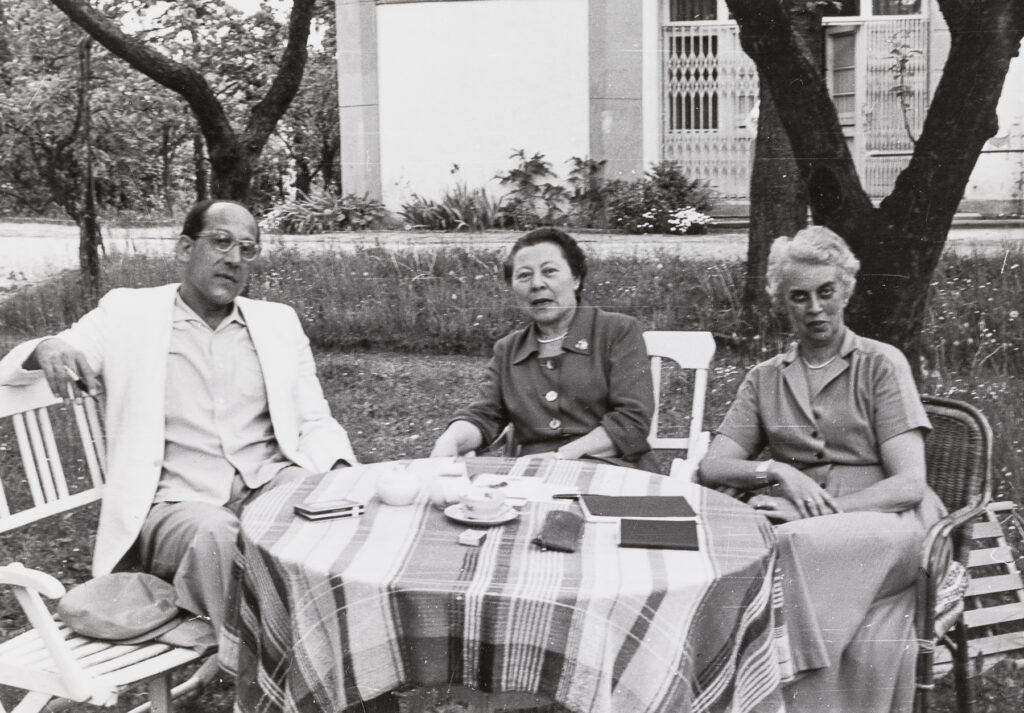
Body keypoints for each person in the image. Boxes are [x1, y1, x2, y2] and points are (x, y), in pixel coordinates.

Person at [0, 199, 356, 639]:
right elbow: (17, 369)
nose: (234, 259)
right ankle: (271, 665)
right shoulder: (130, 314)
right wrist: (48, 345)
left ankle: (338, 646)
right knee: (218, 535)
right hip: (177, 506)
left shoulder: (277, 322)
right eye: (221, 242)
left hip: (268, 483)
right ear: (186, 248)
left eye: (248, 249)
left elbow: (315, 419)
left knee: (337, 513)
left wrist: (338, 475)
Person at [699, 225, 945, 712]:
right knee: (746, 547)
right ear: (781, 302)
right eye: (799, 297)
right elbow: (713, 465)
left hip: (890, 521)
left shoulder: (880, 364)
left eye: (825, 292)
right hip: (806, 522)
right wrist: (776, 471)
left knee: (789, 542)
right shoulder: (765, 378)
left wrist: (817, 515)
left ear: (846, 290)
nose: (814, 308)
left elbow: (909, 485)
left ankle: (775, 676)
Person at [431, 227, 655, 470]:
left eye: (549, 271)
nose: (537, 284)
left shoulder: (617, 330)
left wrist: (559, 457)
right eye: (524, 276)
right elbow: (484, 416)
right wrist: (450, 439)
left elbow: (632, 421)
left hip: (615, 473)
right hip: (533, 480)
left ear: (576, 279)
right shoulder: (508, 349)